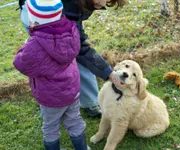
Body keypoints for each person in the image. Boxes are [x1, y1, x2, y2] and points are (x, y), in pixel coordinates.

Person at [14, 0, 125, 150]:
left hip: (49, 97)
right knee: (75, 122)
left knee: (50, 127)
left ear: (32, 21)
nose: (104, 5)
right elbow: (83, 51)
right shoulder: (72, 32)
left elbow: (21, 64)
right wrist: (109, 73)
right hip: (72, 93)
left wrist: (25, 47)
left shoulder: (34, 46)